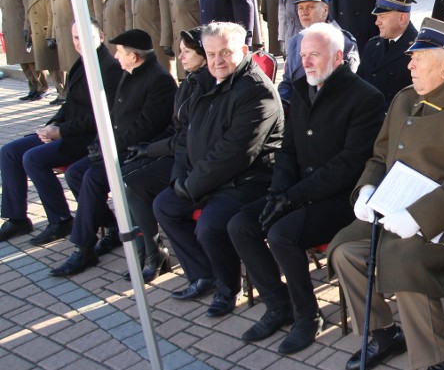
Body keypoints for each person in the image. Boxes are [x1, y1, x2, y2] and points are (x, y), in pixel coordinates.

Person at [329, 17, 444, 370]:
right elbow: (379, 153)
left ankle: (441, 357)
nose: (409, 65)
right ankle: (383, 331)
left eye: (418, 58)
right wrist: (367, 188)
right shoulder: (405, 97)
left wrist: (420, 217)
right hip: (391, 209)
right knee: (344, 251)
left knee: (403, 260)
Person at [228, 23, 385, 353]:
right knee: (240, 225)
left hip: (341, 199)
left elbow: (348, 165)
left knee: (282, 235)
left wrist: (292, 197)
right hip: (297, 192)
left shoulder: (365, 97)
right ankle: (278, 304)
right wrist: (278, 191)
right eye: (302, 55)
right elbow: (288, 148)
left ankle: (308, 316)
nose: (307, 62)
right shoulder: (301, 89)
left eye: (315, 54)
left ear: (338, 57)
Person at [154, 22, 283, 317]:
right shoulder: (205, 82)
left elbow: (234, 154)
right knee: (164, 205)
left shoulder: (256, 91)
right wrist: (179, 177)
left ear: (244, 51)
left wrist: (191, 185)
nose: (217, 61)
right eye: (211, 54)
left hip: (249, 179)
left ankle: (228, 288)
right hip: (206, 176)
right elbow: (187, 136)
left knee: (210, 224)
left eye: (225, 52)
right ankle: (204, 274)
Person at [49, 28, 176, 277]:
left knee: (92, 178)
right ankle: (111, 226)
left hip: (137, 154)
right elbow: (112, 118)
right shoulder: (128, 73)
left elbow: (145, 128)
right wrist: (98, 143)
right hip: (115, 148)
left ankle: (85, 247)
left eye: (120, 52)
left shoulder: (159, 80)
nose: (116, 57)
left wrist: (109, 147)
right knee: (75, 173)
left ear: (134, 56)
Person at [0, 20, 123, 244]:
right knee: (9, 152)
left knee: (33, 159)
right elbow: (69, 104)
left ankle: (61, 220)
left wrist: (61, 131)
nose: (80, 42)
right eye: (76, 37)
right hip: (65, 131)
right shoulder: (81, 62)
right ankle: (17, 218)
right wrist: (52, 125)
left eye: (85, 36)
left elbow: (101, 116)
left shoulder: (110, 67)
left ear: (102, 36)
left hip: (86, 139)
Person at [123, 27, 215, 283]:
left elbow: (188, 137)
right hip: (177, 150)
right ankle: (149, 251)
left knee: (135, 182)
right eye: (180, 52)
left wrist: (150, 149)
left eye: (186, 52)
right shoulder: (189, 82)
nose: (181, 57)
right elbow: (174, 127)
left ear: (202, 54)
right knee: (127, 175)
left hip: (189, 158)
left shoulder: (206, 84)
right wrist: (146, 146)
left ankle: (156, 253)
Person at [279, 0, 360, 105]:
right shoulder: (296, 41)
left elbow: (347, 83)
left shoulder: (343, 40)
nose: (304, 12)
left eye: (311, 7)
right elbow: (287, 82)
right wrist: (283, 104)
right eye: (301, 8)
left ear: (325, 10)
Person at [356, 0, 418, 108]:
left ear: (402, 18)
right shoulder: (372, 45)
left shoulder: (419, 49)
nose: (377, 22)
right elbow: (358, 83)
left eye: (382, 16)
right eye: (377, 17)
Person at [0, 0, 47, 101]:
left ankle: (42, 87)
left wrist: (28, 27)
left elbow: (29, 6)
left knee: (31, 60)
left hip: (22, 26)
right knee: (23, 61)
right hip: (11, 27)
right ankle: (33, 87)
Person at [25, 0, 63, 98]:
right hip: (37, 35)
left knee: (55, 66)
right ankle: (60, 92)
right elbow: (29, 15)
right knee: (50, 66)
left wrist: (50, 35)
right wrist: (27, 31)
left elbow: (52, 15)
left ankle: (63, 93)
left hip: (46, 33)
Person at [48, 0, 75, 104]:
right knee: (67, 67)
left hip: (71, 32)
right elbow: (53, 13)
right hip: (60, 34)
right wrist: (52, 35)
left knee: (76, 66)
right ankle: (69, 96)